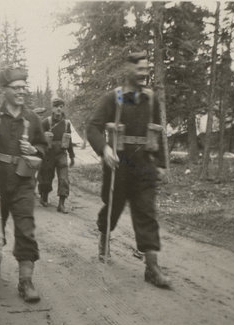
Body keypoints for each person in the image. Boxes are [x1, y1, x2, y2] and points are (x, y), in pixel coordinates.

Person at [87, 51, 171, 288]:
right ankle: (104, 237)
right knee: (112, 209)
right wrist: (104, 149)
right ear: (128, 70)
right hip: (119, 166)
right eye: (139, 69)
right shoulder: (112, 98)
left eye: (146, 69)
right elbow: (93, 127)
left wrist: (162, 164)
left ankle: (152, 268)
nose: (144, 73)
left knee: (146, 212)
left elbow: (158, 131)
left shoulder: (151, 99)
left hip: (145, 165)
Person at [0, 67, 47, 303]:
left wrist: (34, 150)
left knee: (26, 228)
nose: (21, 92)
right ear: (4, 91)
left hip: (23, 181)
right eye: (16, 88)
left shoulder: (33, 119)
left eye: (23, 87)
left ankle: (25, 281)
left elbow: (44, 148)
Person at [37, 97, 75, 213]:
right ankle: (44, 197)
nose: (59, 109)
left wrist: (72, 156)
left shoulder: (67, 124)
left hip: (61, 154)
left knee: (64, 179)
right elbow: (39, 139)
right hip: (48, 154)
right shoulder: (46, 122)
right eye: (56, 106)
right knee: (46, 177)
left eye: (61, 107)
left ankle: (61, 204)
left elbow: (69, 141)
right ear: (52, 108)